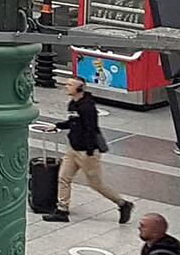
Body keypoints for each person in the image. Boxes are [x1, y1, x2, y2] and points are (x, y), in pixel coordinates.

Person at [43, 77, 134, 224]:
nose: (66, 86)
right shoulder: (73, 104)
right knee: (63, 178)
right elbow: (73, 122)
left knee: (96, 183)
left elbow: (91, 129)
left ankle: (123, 204)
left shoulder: (87, 107)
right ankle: (62, 210)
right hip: (73, 149)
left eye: (70, 84)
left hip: (86, 152)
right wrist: (58, 125)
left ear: (79, 88)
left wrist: (90, 152)